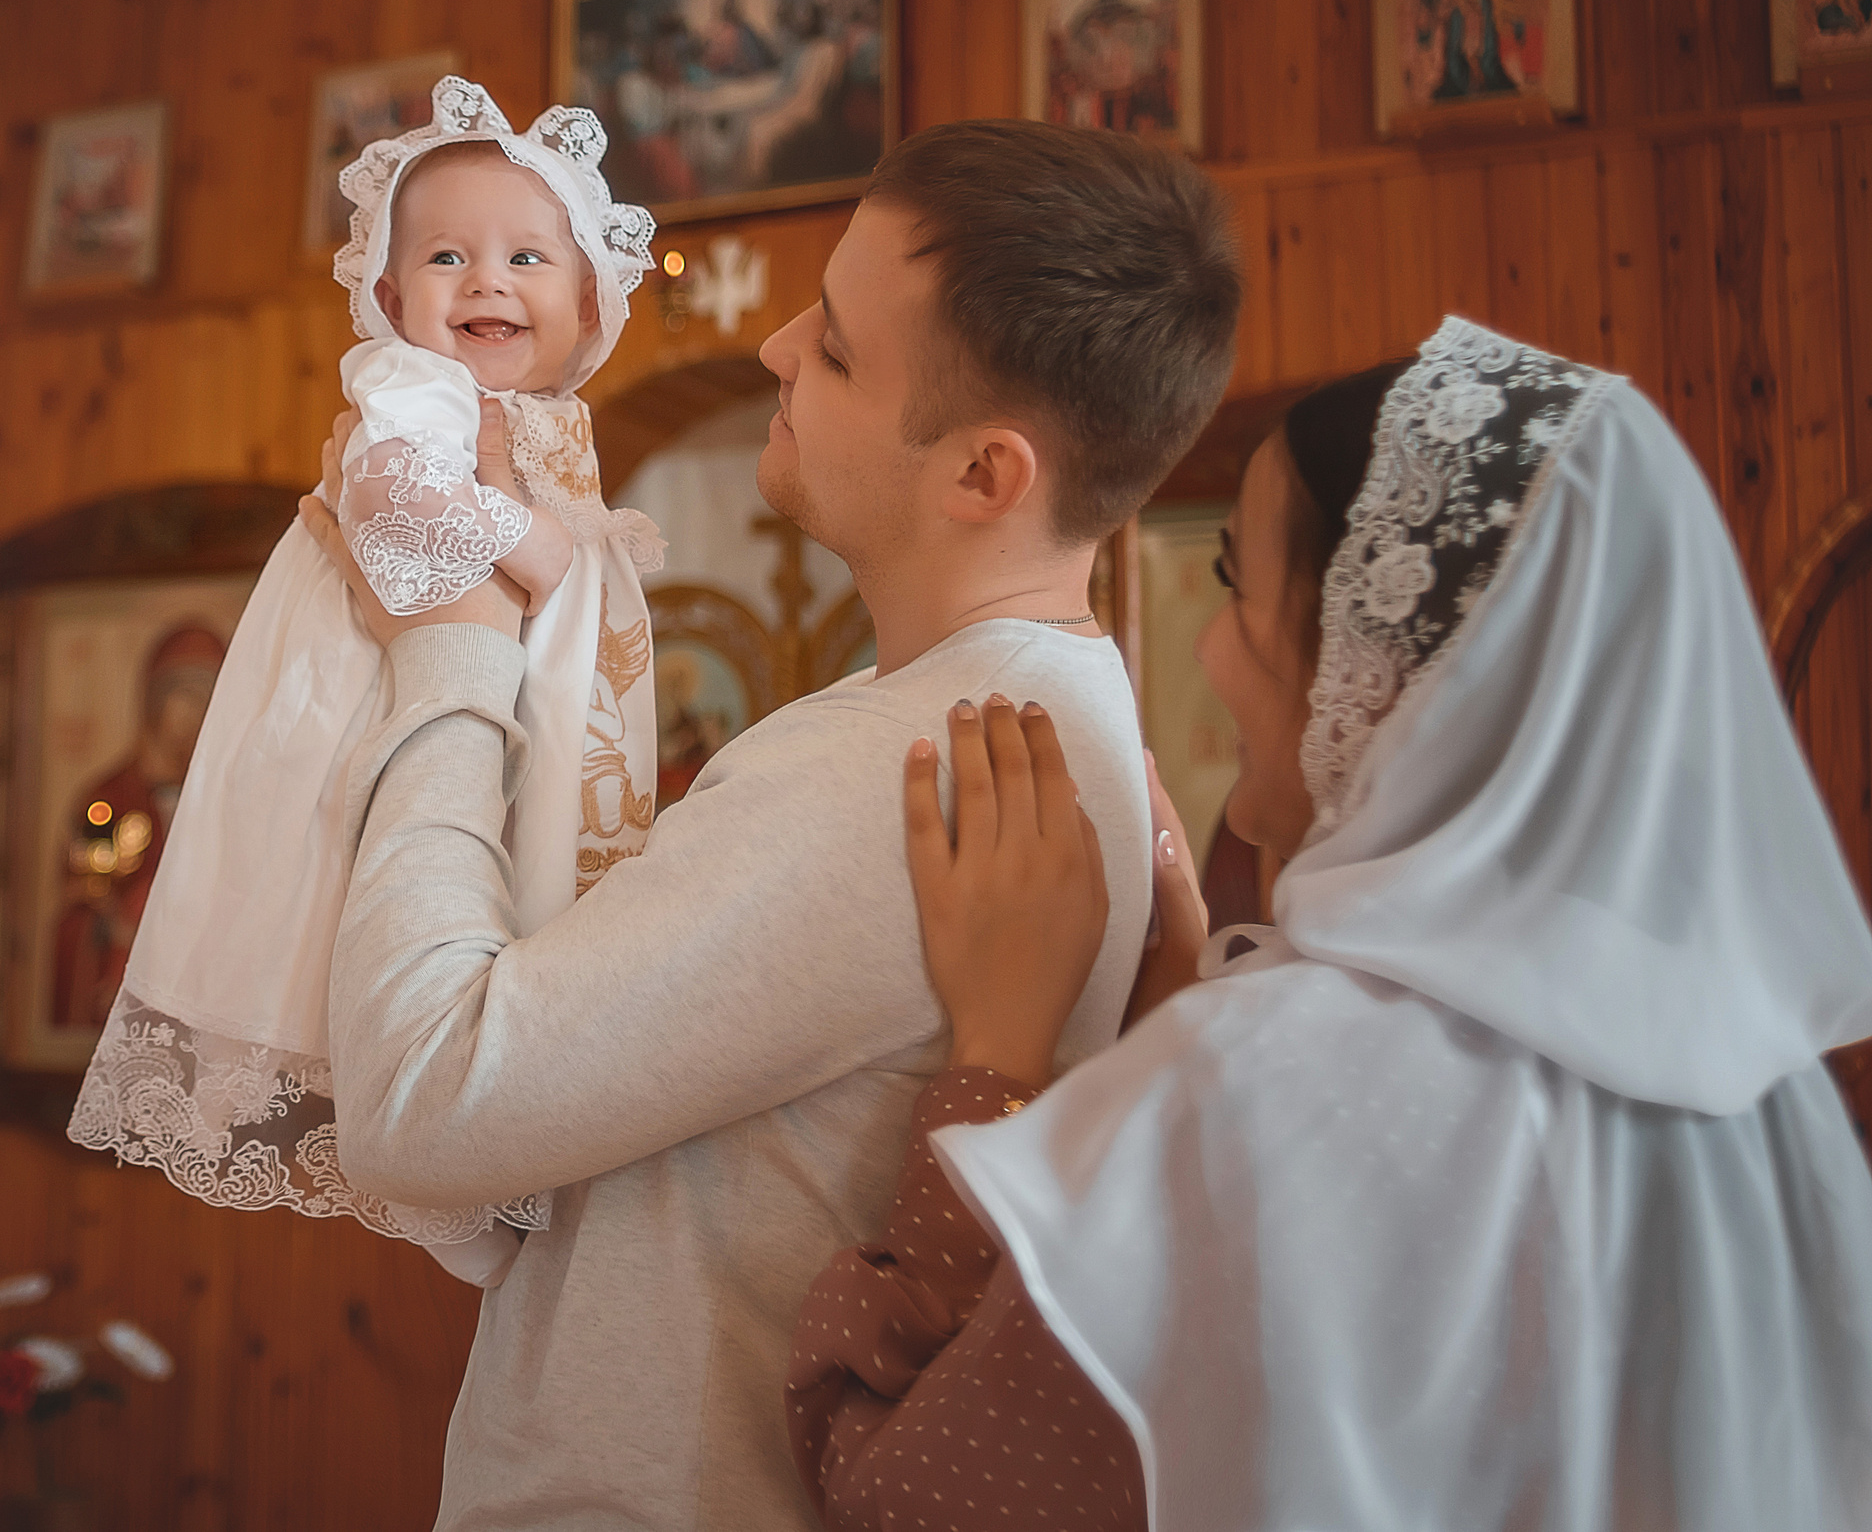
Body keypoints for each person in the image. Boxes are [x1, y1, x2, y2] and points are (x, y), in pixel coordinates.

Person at [296, 119, 1241, 1530]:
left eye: (842, 347)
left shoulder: (902, 766)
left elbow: (421, 1100)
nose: (776, 346)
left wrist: (448, 633)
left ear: (985, 476)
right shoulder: (1000, 710)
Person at [795, 322, 1872, 1529]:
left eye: (1237, 588)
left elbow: (911, 1501)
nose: (1207, 651)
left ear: (1377, 664)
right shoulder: (1763, 1097)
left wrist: (994, 1058)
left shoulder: (1268, 1085)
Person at [69, 77, 665, 1290]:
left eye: (525, 256)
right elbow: (390, 495)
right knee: (346, 903)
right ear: (391, 301)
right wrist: (542, 546)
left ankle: (480, 1154)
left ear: (592, 297)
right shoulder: (420, 391)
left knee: (512, 899)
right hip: (375, 694)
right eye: (445, 255)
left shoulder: (546, 419)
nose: (487, 280)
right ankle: (431, 1176)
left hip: (499, 698)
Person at [45, 620, 225, 1031]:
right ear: (153, 703)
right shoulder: (109, 799)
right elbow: (82, 891)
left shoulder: (235, 805)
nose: (195, 714)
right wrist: (124, 917)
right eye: (184, 695)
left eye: (209, 697)